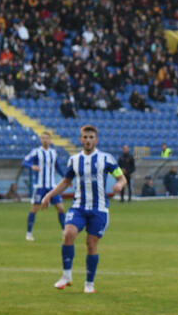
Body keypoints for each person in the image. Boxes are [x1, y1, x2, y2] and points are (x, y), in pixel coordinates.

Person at [40, 125, 126, 294]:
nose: (88, 140)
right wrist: (48, 196)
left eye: (91, 137)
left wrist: (119, 184)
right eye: (85, 137)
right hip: (79, 206)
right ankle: (66, 276)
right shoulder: (74, 160)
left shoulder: (106, 159)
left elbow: (121, 178)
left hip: (99, 209)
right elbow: (65, 182)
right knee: (68, 233)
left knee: (91, 244)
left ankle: (89, 283)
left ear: (96, 140)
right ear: (81, 139)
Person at [22, 131, 65, 241]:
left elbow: (58, 167)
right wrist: (32, 166)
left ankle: (65, 231)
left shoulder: (53, 153)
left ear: (50, 140)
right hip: (40, 186)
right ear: (40, 140)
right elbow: (25, 162)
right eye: (42, 138)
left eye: (46, 138)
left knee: (60, 208)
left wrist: (66, 178)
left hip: (52, 186)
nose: (44, 140)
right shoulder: (36, 152)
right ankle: (29, 233)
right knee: (34, 209)